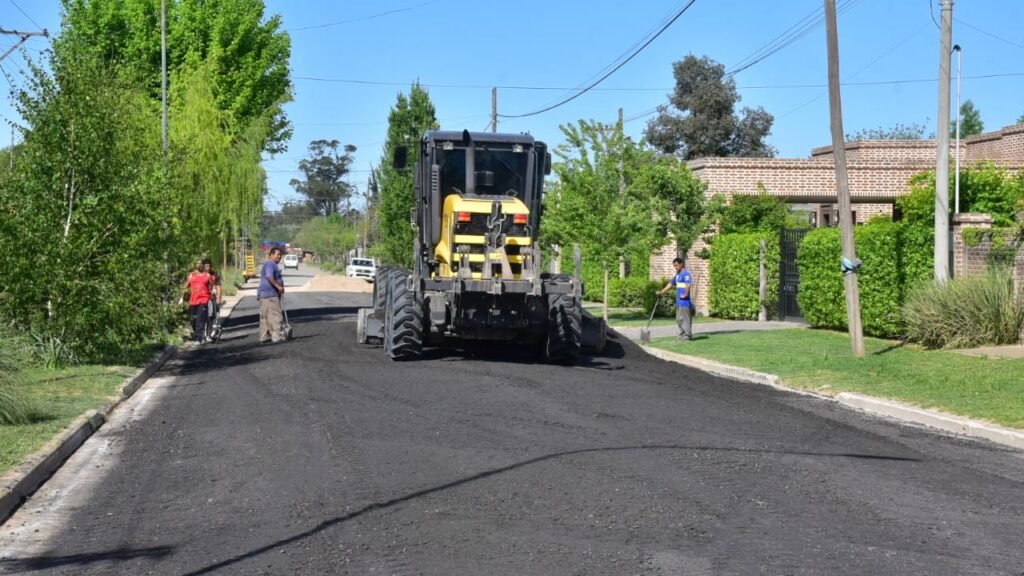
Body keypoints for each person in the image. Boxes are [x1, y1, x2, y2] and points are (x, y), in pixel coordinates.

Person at [657, 257, 694, 341]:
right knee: (679, 319)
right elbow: (670, 284)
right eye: (674, 266)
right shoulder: (677, 275)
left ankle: (687, 335)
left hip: (684, 302)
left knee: (685, 319)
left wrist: (685, 294)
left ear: (681, 264)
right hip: (678, 302)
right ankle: (682, 334)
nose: (675, 267)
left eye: (676, 265)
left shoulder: (686, 274)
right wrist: (662, 292)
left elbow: (688, 284)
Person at [257, 247, 286, 343]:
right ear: (271, 255)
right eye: (277, 255)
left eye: (280, 255)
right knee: (276, 315)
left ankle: (264, 336)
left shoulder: (270, 264)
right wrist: (279, 287)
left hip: (265, 294)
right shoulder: (270, 264)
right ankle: (276, 336)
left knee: (265, 316)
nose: (279, 257)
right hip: (271, 294)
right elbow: (269, 276)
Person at [184, 258, 213, 345]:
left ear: (203, 265)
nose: (199, 265)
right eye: (197, 263)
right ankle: (198, 335)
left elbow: (212, 285)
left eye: (201, 263)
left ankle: (198, 339)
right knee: (193, 319)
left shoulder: (207, 275)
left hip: (203, 300)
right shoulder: (191, 276)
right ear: (195, 265)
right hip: (193, 301)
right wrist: (182, 298)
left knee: (200, 319)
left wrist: (212, 292)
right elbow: (186, 287)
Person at [203, 259, 224, 341]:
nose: (208, 268)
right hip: (202, 298)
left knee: (210, 316)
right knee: (202, 317)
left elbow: (218, 286)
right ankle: (202, 334)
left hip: (211, 298)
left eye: (209, 266)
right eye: (206, 266)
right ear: (203, 267)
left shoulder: (214, 274)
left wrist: (218, 298)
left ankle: (208, 334)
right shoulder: (201, 275)